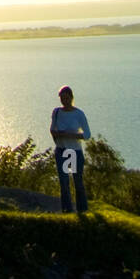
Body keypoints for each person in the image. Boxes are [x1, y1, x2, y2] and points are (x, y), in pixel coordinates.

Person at [50, 84, 91, 213]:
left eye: (66, 98)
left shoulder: (78, 114)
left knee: (77, 181)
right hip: (62, 150)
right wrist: (57, 134)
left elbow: (87, 135)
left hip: (74, 151)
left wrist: (70, 135)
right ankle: (67, 210)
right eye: (62, 98)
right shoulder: (57, 112)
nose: (64, 101)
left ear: (71, 98)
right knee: (64, 181)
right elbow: (52, 128)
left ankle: (82, 210)